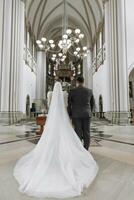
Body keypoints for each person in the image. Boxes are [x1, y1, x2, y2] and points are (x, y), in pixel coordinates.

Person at [13, 82, 98, 199]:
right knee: (79, 134)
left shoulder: (51, 94)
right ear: (62, 89)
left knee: (59, 135)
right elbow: (69, 105)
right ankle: (83, 150)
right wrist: (69, 114)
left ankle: (55, 153)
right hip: (68, 117)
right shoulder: (67, 93)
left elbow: (57, 105)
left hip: (55, 118)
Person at [68, 76, 94, 150]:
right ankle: (86, 149)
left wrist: (69, 114)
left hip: (76, 115)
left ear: (77, 82)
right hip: (87, 114)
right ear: (83, 81)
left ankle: (79, 149)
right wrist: (89, 111)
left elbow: (69, 104)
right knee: (87, 132)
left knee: (78, 132)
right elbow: (92, 104)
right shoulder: (89, 91)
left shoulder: (72, 91)